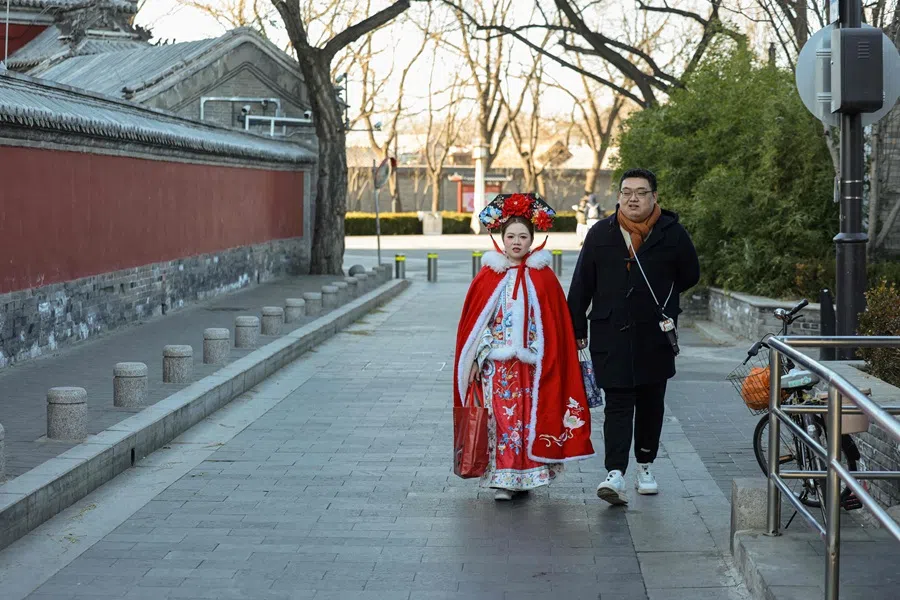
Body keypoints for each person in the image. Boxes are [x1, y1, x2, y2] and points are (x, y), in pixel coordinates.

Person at [567, 168, 700, 505]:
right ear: (619, 197)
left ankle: (645, 465)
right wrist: (576, 328)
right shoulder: (601, 233)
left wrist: (662, 302)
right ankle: (615, 473)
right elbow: (582, 283)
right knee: (618, 403)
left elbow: (690, 274)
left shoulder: (672, 233)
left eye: (641, 192)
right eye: (627, 192)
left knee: (652, 402)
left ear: (654, 196)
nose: (633, 198)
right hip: (610, 332)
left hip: (654, 334)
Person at [454, 193, 595, 501]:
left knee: (528, 420)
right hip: (497, 367)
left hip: (532, 367)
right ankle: (503, 479)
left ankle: (527, 476)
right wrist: (479, 354)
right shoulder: (487, 276)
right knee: (501, 422)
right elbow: (477, 325)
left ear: (533, 240)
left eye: (522, 236)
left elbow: (554, 324)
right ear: (501, 239)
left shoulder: (544, 278)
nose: (516, 242)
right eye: (510, 236)